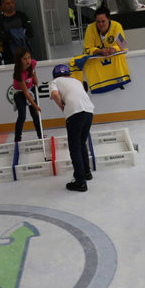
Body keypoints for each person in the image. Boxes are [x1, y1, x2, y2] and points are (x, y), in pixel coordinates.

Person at [50, 64, 95, 193]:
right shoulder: (75, 80)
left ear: (55, 75)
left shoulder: (55, 81)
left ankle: (80, 182)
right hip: (89, 111)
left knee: (74, 147)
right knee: (81, 143)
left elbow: (54, 94)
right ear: (68, 74)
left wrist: (62, 108)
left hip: (74, 112)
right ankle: (86, 172)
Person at [70, 4, 130, 93]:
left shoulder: (117, 26)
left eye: (103, 21)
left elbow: (122, 46)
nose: (100, 24)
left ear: (109, 19)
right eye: (98, 22)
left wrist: (114, 49)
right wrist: (99, 51)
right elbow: (86, 49)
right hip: (96, 68)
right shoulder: (90, 29)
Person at [11, 47, 42, 143]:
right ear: (19, 60)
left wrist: (35, 79)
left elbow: (33, 72)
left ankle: (40, 135)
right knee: (22, 115)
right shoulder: (19, 73)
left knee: (35, 115)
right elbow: (25, 93)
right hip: (19, 92)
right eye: (24, 59)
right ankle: (17, 139)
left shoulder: (33, 63)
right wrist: (35, 106)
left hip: (30, 89)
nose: (28, 60)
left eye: (29, 57)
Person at [0, 0, 34, 65]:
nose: (11, 5)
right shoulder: (0, 19)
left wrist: (11, 35)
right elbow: (0, 36)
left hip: (24, 54)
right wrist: (20, 33)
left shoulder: (22, 16)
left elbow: (30, 33)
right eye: (8, 3)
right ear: (3, 4)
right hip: (9, 56)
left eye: (12, 2)